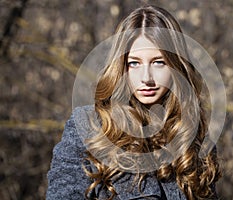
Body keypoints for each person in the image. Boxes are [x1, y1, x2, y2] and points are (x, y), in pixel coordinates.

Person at [47, 5, 221, 200]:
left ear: (176, 66)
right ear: (121, 67)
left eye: (158, 62)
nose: (146, 77)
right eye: (134, 63)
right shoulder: (88, 126)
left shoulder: (193, 132)